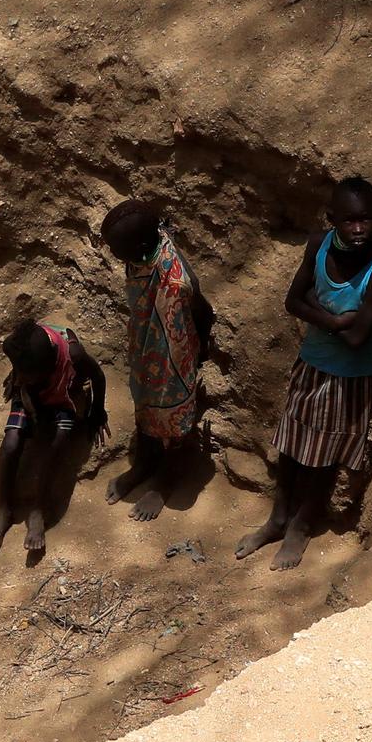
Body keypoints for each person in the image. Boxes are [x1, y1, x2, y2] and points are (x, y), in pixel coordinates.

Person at [237, 177, 372, 571]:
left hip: (350, 376)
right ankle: (277, 520)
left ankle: (301, 526)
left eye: (365, 220)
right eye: (349, 221)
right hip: (312, 361)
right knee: (291, 444)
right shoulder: (318, 244)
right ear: (332, 220)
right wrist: (336, 321)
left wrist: (326, 316)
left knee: (324, 459)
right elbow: (292, 300)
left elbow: (359, 338)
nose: (358, 229)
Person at [100, 199, 215, 521]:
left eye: (116, 249)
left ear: (137, 246)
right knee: (146, 404)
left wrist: (196, 353)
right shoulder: (141, 253)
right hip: (146, 345)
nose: (113, 255)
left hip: (175, 357)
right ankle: (145, 464)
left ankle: (164, 482)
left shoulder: (176, 278)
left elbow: (201, 310)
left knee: (175, 420)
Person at [0, 320, 108, 557]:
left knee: (59, 439)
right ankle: (4, 511)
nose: (19, 378)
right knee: (10, 443)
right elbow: (22, 373)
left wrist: (97, 412)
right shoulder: (26, 350)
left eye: (24, 374)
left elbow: (98, 377)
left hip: (62, 398)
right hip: (31, 395)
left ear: (46, 367)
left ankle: (37, 510)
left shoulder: (74, 355)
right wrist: (19, 378)